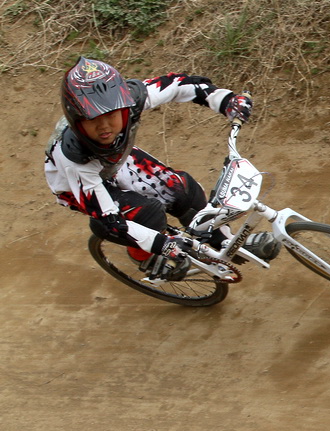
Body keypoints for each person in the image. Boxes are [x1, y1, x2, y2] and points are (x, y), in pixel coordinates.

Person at [44, 56, 280, 280]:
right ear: (76, 119)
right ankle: (144, 257)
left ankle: (223, 240)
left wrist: (226, 100)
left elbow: (179, 85)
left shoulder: (132, 99)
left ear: (124, 106)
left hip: (116, 161)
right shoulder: (74, 158)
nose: (104, 126)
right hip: (77, 184)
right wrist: (163, 245)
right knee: (146, 215)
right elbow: (110, 220)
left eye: (112, 115)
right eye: (92, 118)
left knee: (184, 191)